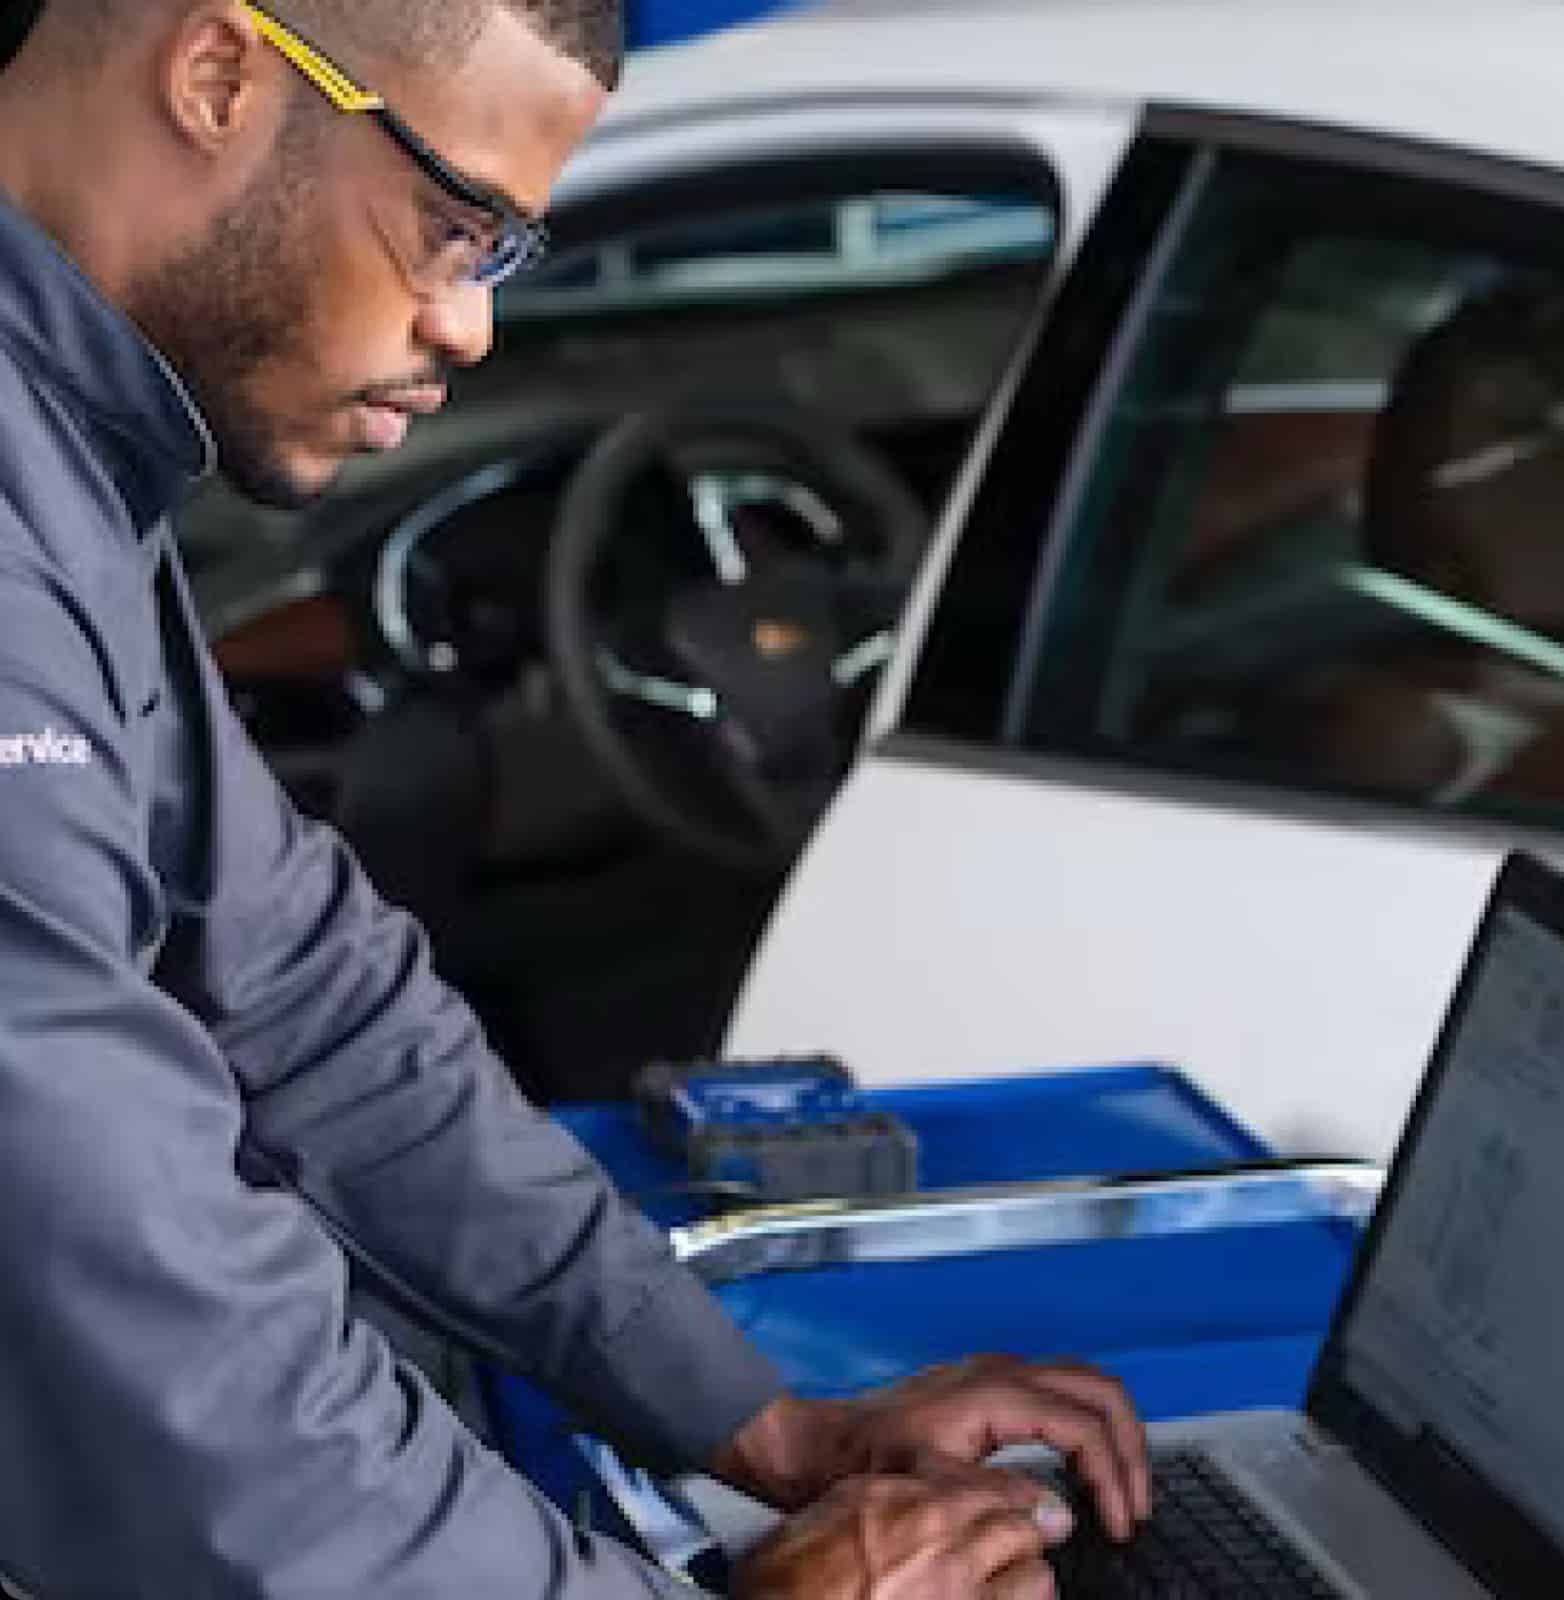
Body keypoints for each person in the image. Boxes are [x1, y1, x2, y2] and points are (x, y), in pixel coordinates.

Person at [0, 2, 1151, 1595]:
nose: (470, 329)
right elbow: (150, 1331)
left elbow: (314, 1003)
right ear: (219, 77)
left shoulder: (66, 457)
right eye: (452, 226)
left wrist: (763, 1428)